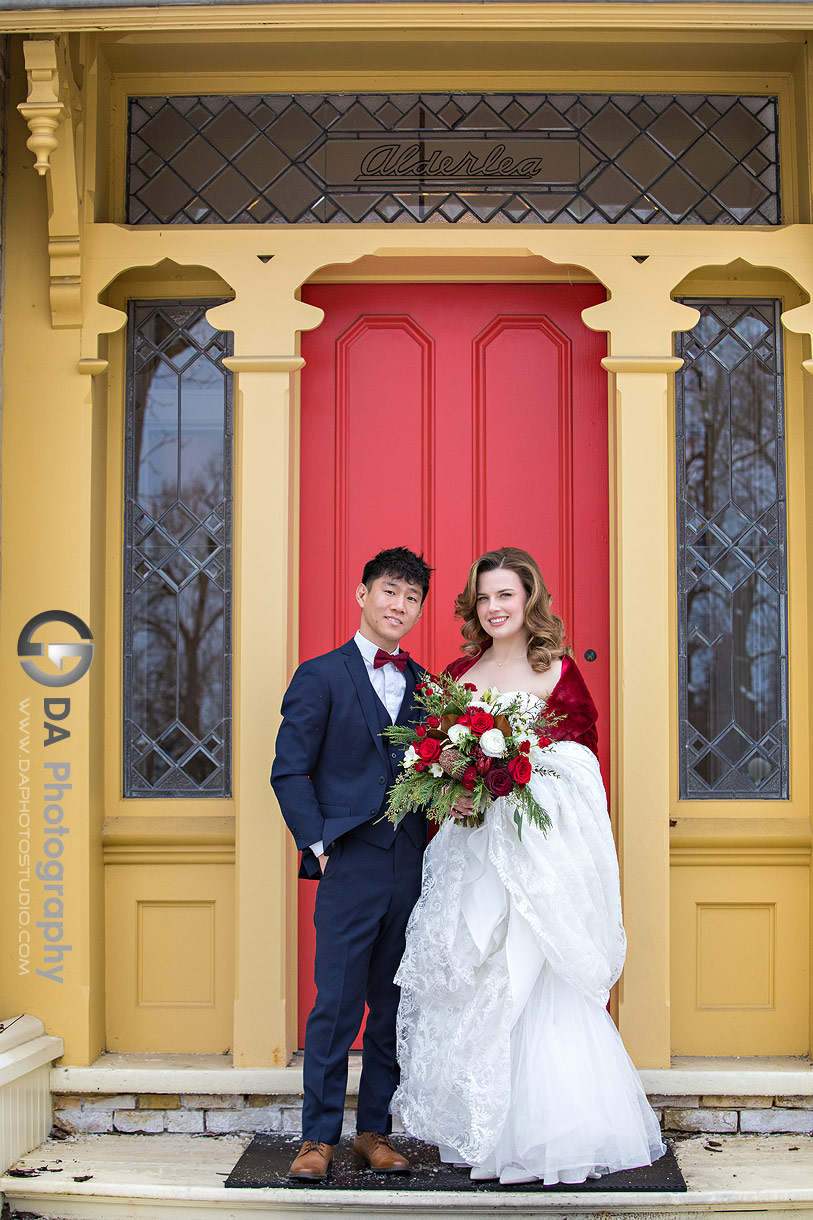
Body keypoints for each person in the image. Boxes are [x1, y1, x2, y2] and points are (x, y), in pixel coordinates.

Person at [391, 546, 665, 1186]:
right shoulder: (459, 672)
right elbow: (437, 763)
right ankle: (483, 1131)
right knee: (478, 978)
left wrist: (519, 776)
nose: (493, 608)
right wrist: (457, 779)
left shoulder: (558, 672)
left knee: (531, 979)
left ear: (528, 600)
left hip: (536, 862)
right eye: (484, 598)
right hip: (474, 856)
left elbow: (582, 766)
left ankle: (550, 1133)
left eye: (505, 596)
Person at [271, 546, 431, 1182]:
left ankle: (374, 1131)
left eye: (411, 598)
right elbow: (289, 770)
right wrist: (319, 846)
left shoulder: (430, 687)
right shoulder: (320, 674)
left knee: (393, 1002)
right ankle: (316, 1137)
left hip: (412, 865)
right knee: (334, 1003)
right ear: (361, 594)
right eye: (390, 591)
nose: (399, 606)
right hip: (349, 861)